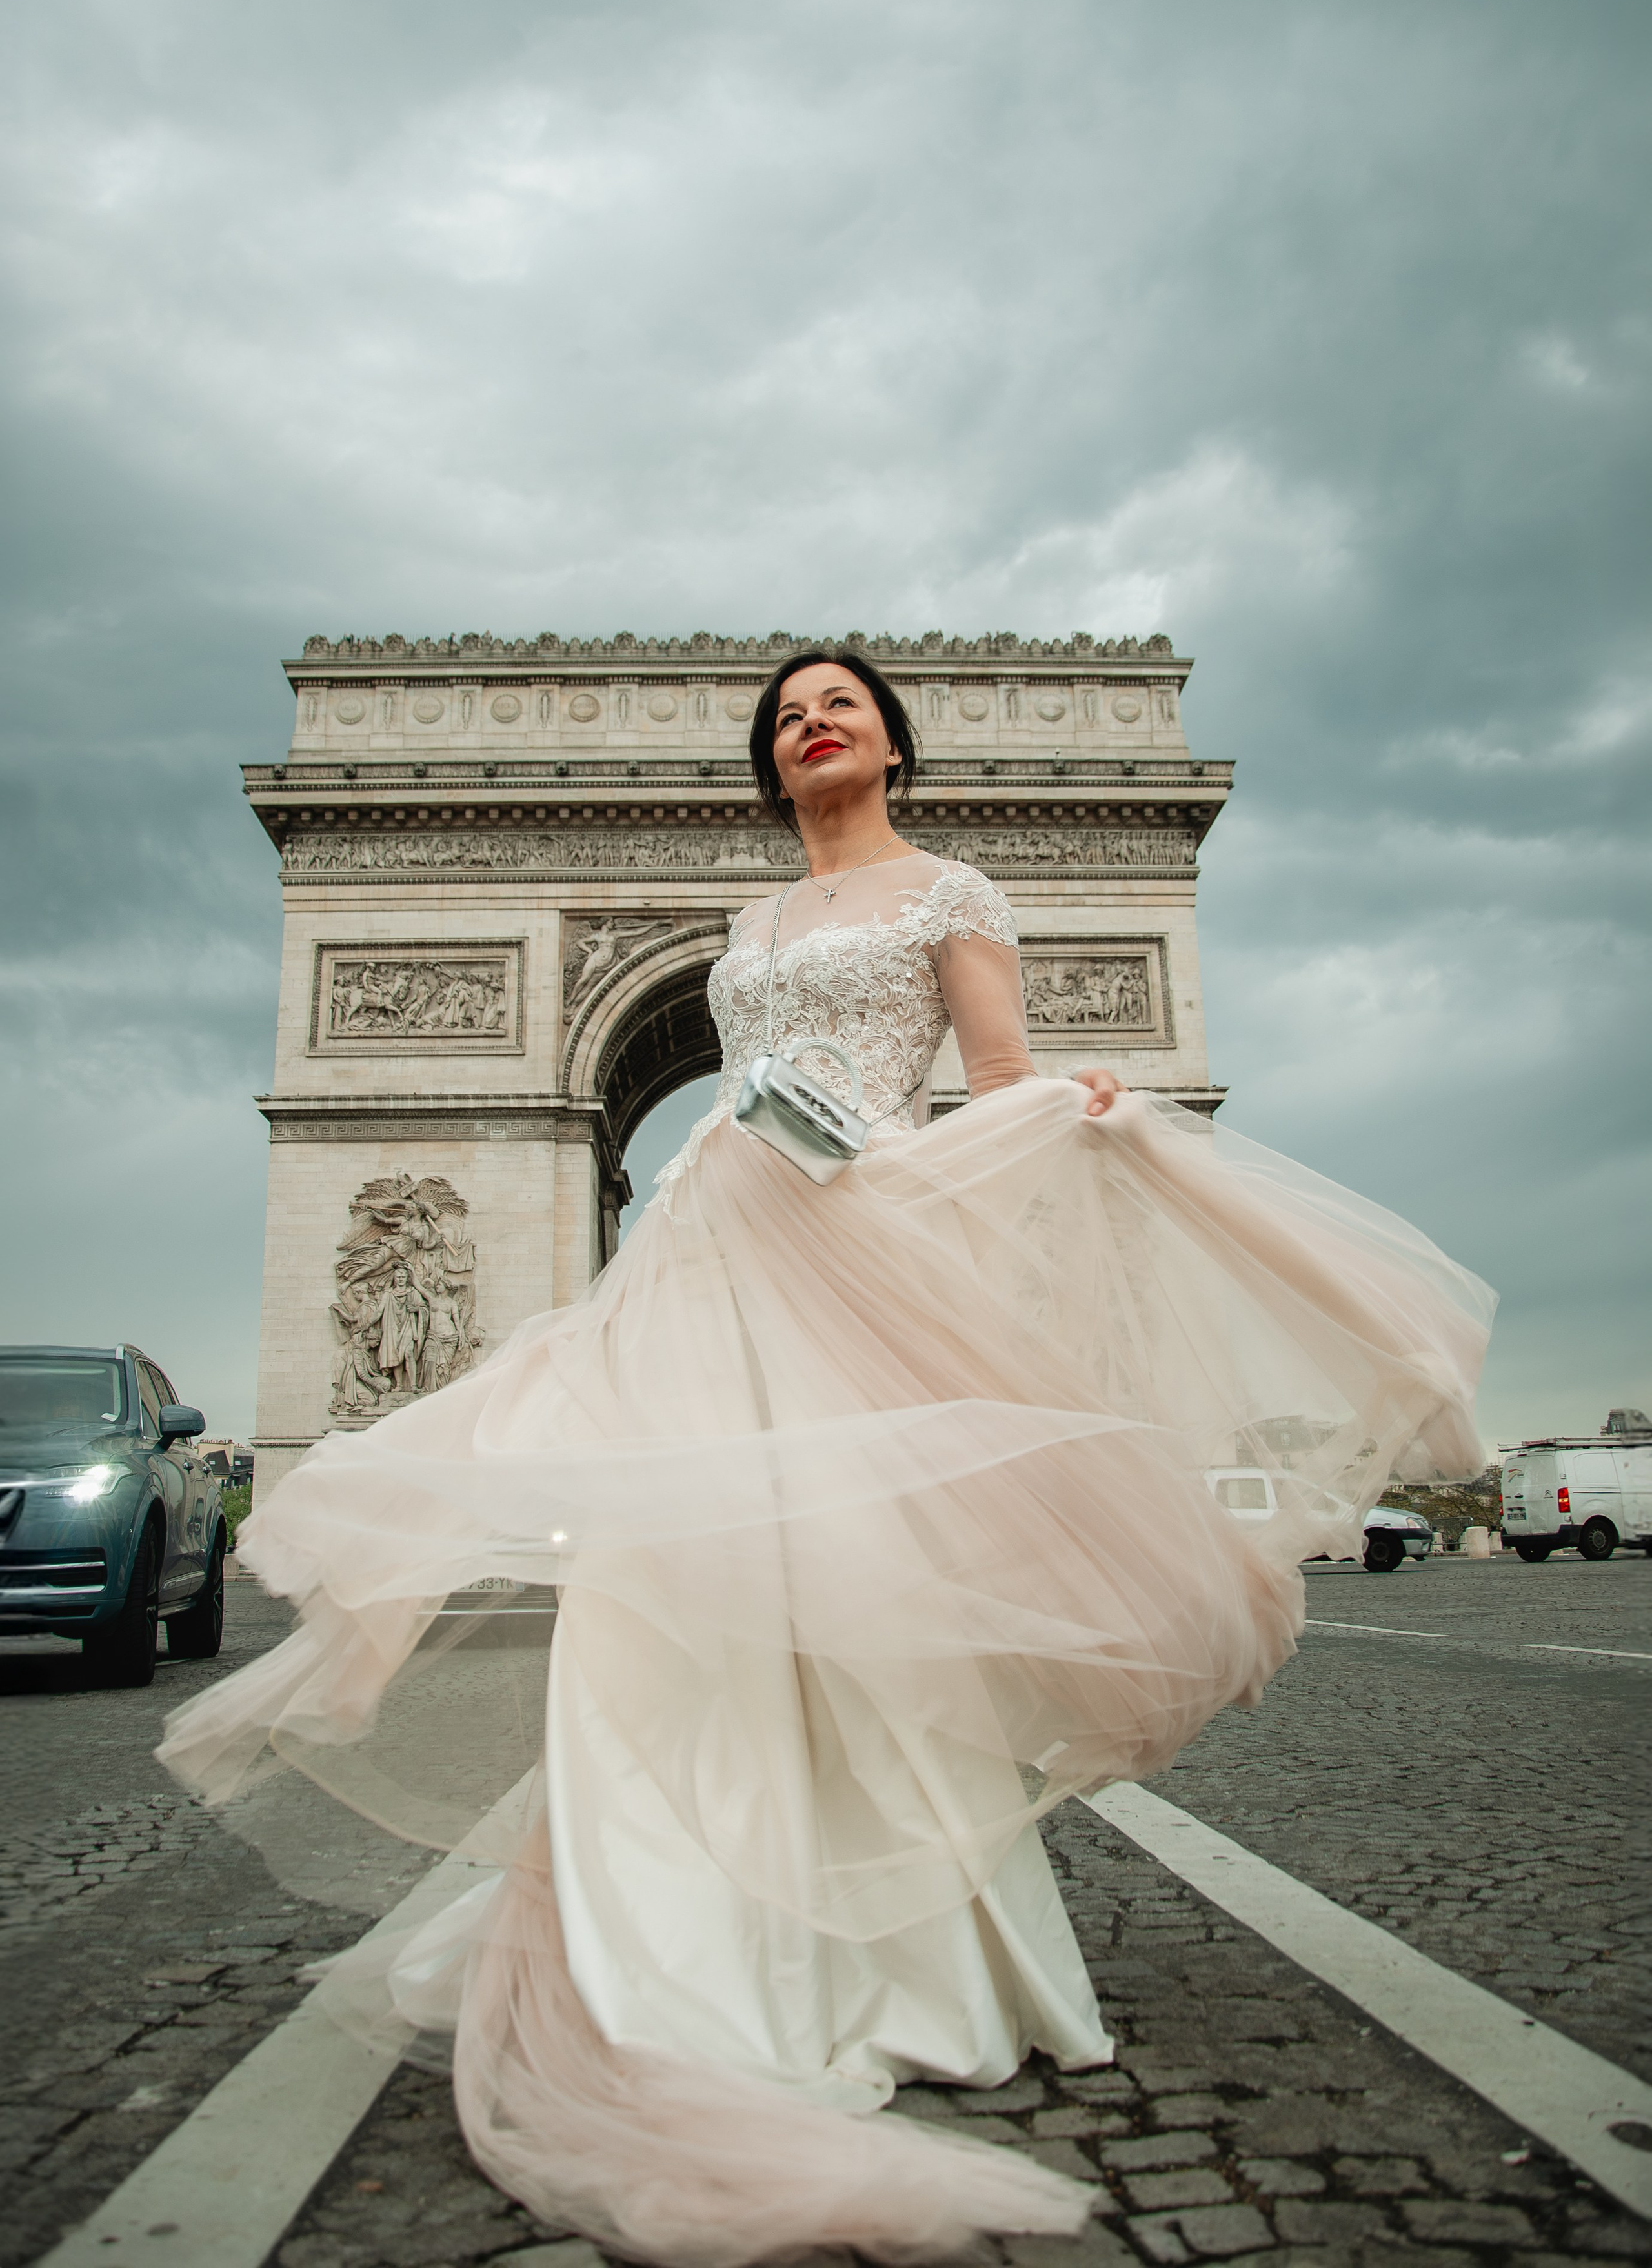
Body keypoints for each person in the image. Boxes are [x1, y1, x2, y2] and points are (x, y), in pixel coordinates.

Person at [161, 648, 1493, 2267]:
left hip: (854, 1256)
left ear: (890, 739)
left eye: (839, 702)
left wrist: (1071, 1113)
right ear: (771, 759)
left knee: (853, 1589)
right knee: (677, 1585)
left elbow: (989, 1085)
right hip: (714, 1261)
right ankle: (667, 1935)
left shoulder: (953, 887)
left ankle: (875, 1952)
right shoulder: (744, 925)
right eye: (788, 711)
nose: (813, 721)